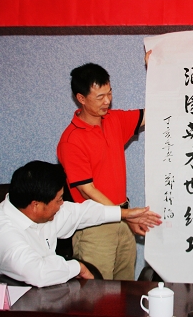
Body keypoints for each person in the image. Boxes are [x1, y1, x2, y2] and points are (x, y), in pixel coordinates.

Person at [0, 161, 161, 287]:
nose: (62, 204)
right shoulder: (3, 233)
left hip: (47, 291)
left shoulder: (37, 210)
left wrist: (125, 214)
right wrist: (77, 267)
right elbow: (37, 273)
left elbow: (82, 212)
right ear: (36, 205)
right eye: (59, 200)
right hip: (18, 301)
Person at [57, 62, 146, 280]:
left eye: (109, 93)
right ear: (81, 98)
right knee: (96, 292)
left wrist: (157, 68)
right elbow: (87, 190)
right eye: (100, 97)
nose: (107, 101)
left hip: (122, 220)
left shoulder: (114, 119)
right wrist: (124, 215)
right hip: (94, 228)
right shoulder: (71, 140)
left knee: (126, 290)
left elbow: (154, 113)